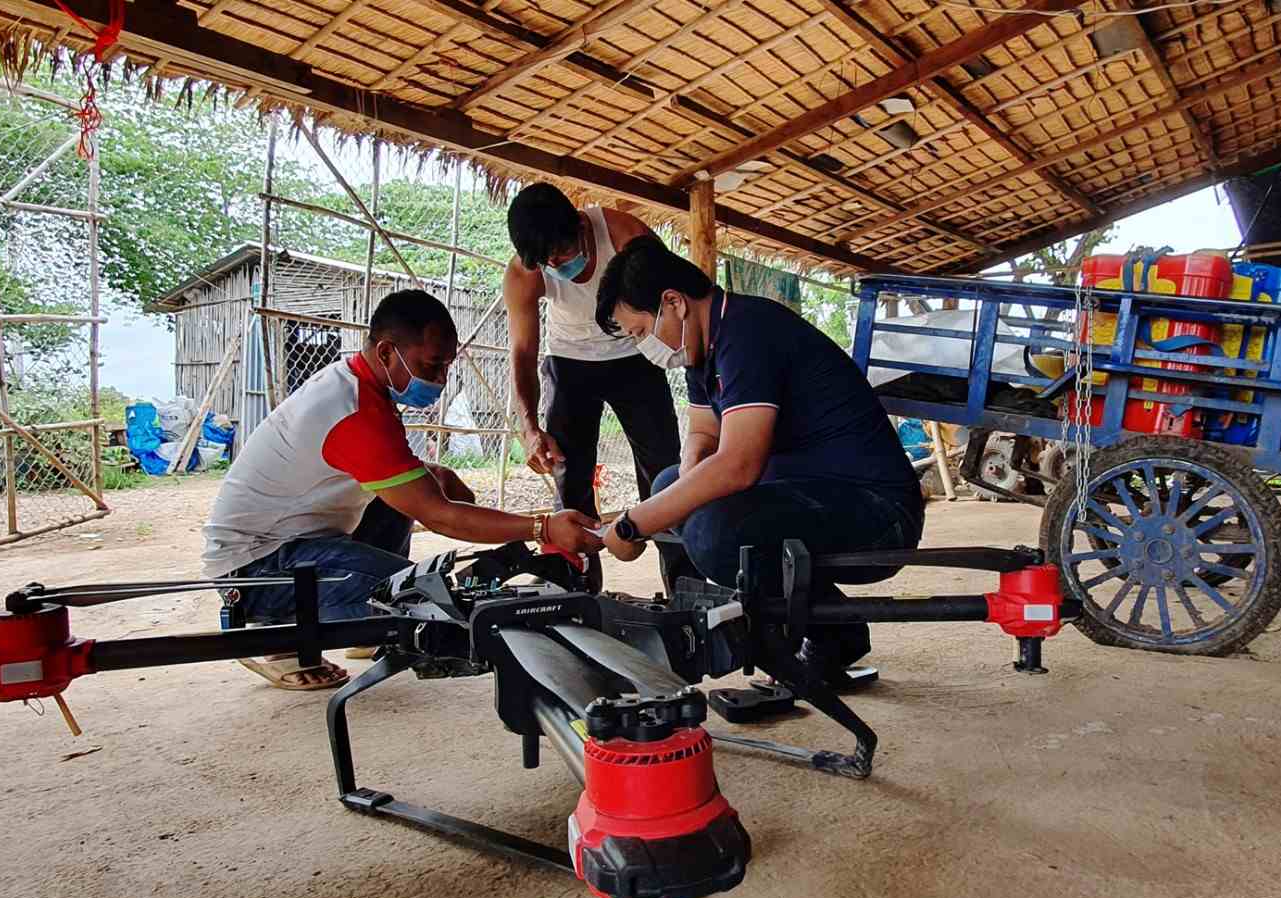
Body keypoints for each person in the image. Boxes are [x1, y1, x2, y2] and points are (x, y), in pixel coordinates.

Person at [203, 289, 603, 691]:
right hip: (258, 571)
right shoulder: (353, 412)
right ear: (386, 352)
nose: (441, 379)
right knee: (423, 603)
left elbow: (397, 475)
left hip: (293, 542)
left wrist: (438, 477)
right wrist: (543, 528)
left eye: (447, 365)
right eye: (431, 365)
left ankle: (365, 623)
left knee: (407, 505)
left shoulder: (357, 386)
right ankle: (283, 638)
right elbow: (440, 515)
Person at [591, 236, 925, 679]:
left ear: (673, 303)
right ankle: (834, 630)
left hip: (879, 513)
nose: (644, 346)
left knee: (716, 534)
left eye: (639, 332)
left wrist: (632, 524)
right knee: (672, 485)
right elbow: (704, 431)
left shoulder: (748, 333)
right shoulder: (703, 348)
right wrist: (690, 480)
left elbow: (738, 464)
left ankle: (805, 636)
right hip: (814, 491)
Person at [503, 182, 698, 590]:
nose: (556, 265)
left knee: (664, 470)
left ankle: (687, 582)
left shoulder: (627, 236)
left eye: (562, 253)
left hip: (635, 356)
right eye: (546, 262)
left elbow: (670, 308)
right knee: (568, 473)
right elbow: (523, 351)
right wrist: (529, 426)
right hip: (570, 362)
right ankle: (574, 587)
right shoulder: (526, 271)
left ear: (578, 225)